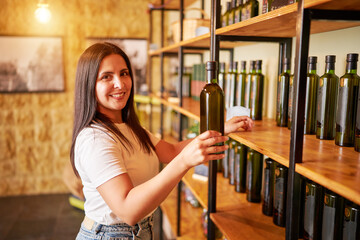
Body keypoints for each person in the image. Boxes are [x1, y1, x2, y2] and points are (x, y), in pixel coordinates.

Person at [70, 42, 254, 240]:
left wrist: (219, 128)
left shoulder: (129, 127)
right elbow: (128, 210)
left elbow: (172, 151)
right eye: (107, 77)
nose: (120, 84)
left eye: (124, 73)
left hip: (139, 231)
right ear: (89, 84)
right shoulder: (95, 139)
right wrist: (184, 162)